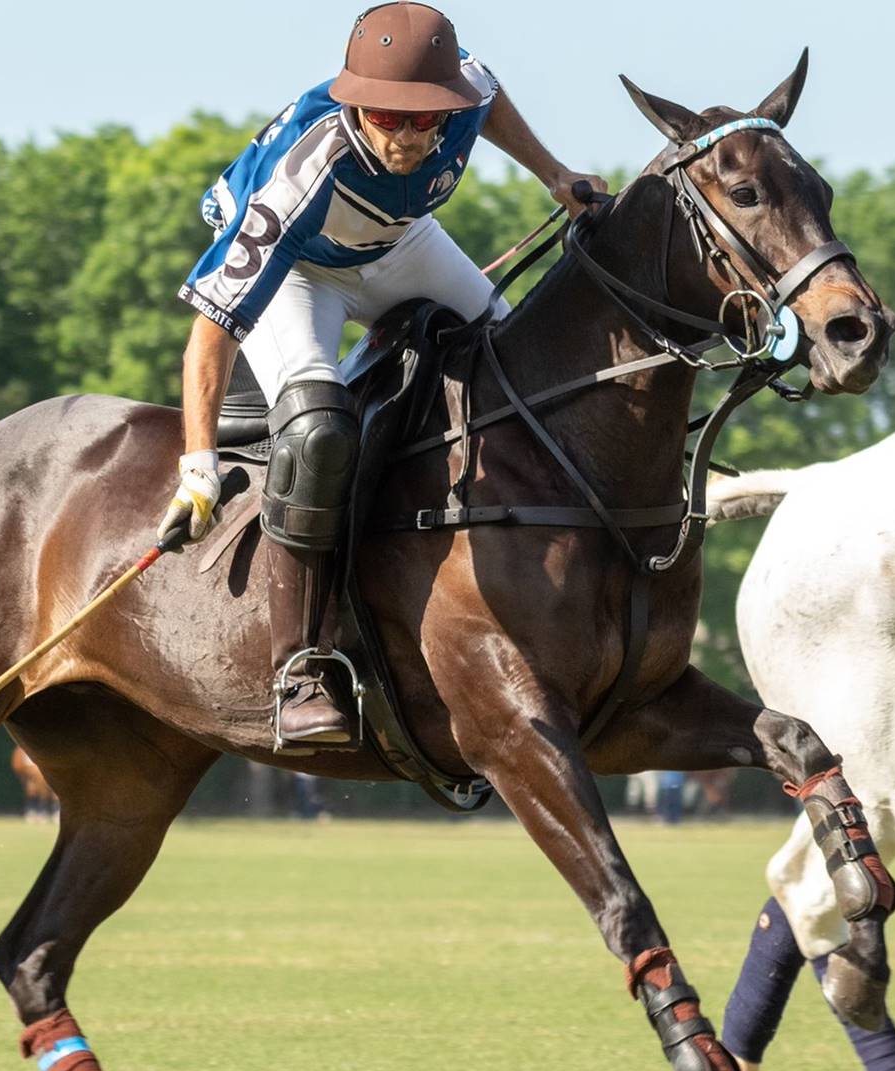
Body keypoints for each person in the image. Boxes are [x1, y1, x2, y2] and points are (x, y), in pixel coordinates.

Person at [159, 2, 608, 746]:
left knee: (520, 368)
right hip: (299, 269)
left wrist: (554, 174)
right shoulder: (299, 179)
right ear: (356, 103)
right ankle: (300, 671)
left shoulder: (465, 96)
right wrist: (197, 467)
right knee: (317, 432)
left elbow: (488, 96)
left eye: (423, 119)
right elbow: (209, 335)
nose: (407, 134)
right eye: (387, 118)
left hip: (399, 245)